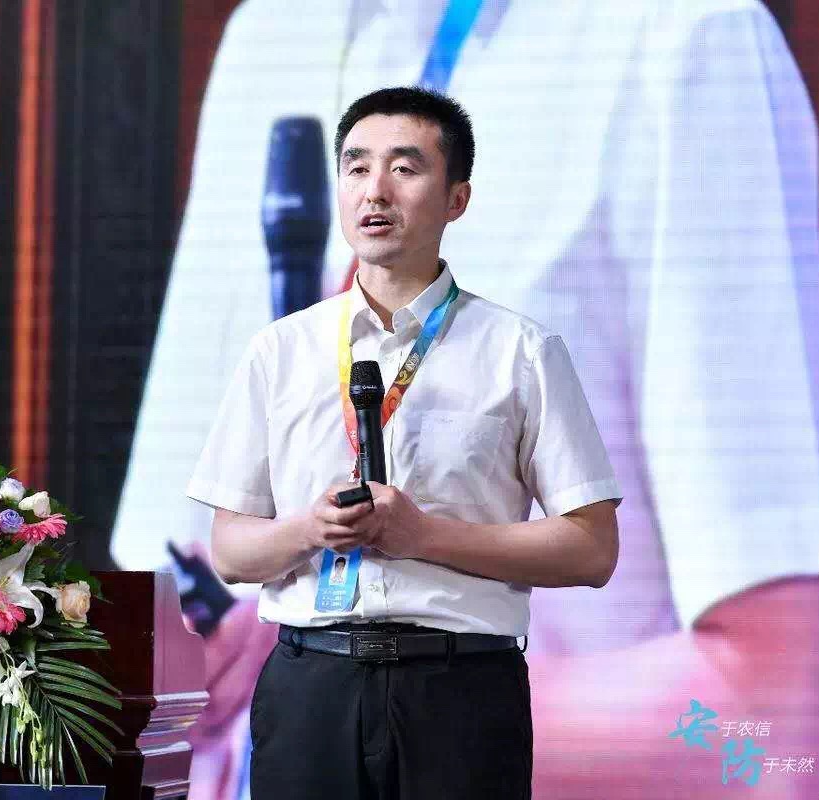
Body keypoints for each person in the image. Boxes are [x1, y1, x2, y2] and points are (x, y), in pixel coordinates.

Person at [116, 2, 819, 796]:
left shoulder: (688, 39)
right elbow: (166, 627)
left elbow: (779, 723)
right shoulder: (272, 34)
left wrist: (382, 707)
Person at [188, 86, 621, 799]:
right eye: (357, 167)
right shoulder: (280, 351)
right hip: (311, 688)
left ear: (457, 199)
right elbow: (232, 552)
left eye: (405, 168)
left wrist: (423, 536)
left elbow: (592, 549)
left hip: (462, 691)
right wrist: (310, 529)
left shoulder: (521, 352)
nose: (375, 190)